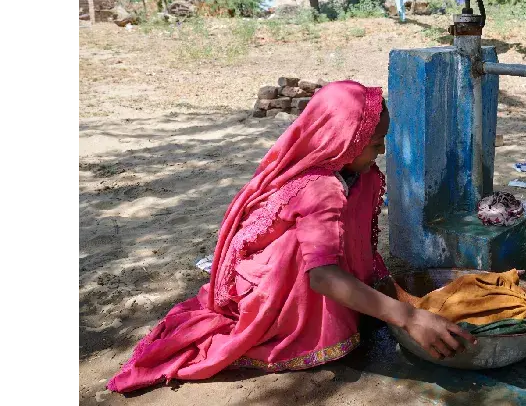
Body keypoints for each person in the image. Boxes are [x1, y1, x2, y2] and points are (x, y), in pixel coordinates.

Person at [108, 81, 475, 394]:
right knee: (314, 267)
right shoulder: (320, 188)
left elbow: (357, 241)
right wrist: (407, 317)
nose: (380, 150)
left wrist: (388, 293)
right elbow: (321, 274)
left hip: (311, 267)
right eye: (375, 141)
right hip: (280, 288)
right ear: (345, 139)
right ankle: (305, 324)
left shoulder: (362, 177)